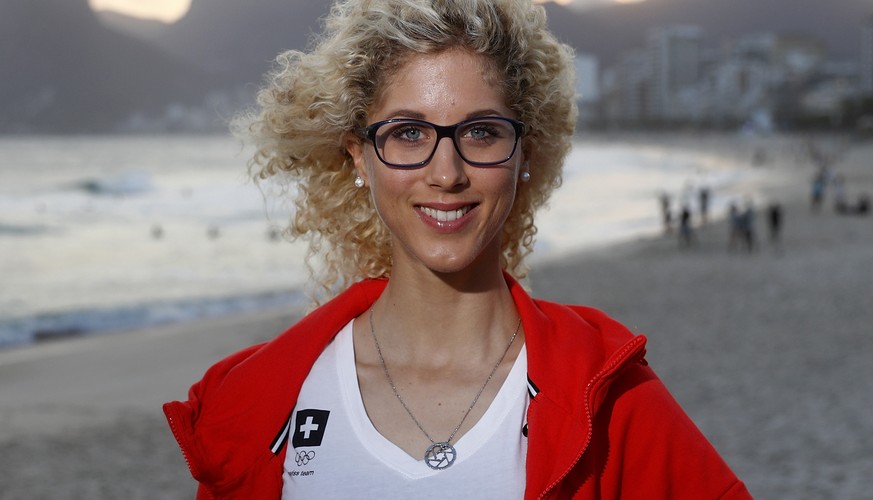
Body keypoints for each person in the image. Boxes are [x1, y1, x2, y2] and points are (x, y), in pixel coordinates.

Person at [163, 1, 750, 498]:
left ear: (525, 154)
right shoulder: (258, 406)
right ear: (358, 157)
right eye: (408, 133)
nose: (446, 173)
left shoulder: (612, 396)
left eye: (481, 131)